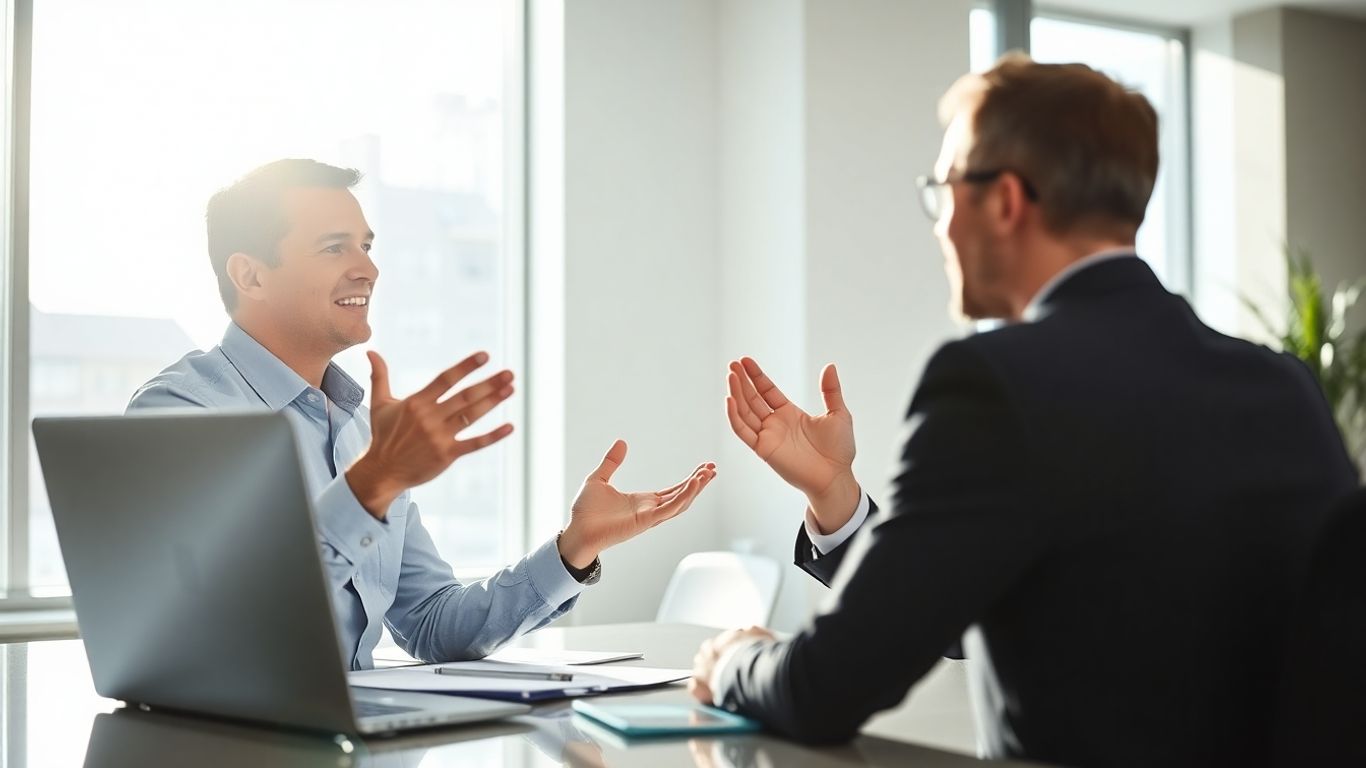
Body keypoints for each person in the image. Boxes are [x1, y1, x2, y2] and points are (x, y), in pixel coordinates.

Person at [688, 55, 1357, 767]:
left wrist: (736, 660)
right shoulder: (1285, 387)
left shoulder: (993, 385)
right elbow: (965, 606)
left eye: (944, 190)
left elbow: (826, 689)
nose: (940, 225)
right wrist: (834, 494)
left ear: (1005, 201)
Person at [130, 159, 716, 669]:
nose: (368, 269)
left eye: (366, 245)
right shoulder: (181, 411)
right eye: (334, 247)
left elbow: (433, 625)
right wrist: (373, 481)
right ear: (250, 274)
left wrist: (572, 549)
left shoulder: (360, 433)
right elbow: (229, 627)